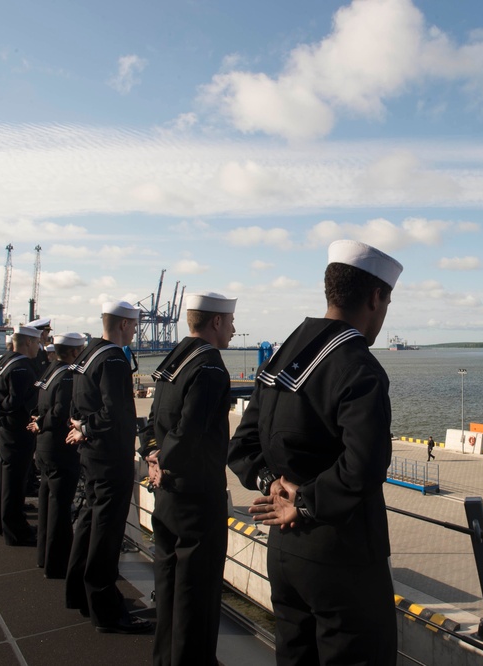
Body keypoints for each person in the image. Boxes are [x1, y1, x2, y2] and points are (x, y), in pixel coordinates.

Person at [228, 239, 402, 665]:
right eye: (387, 302)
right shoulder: (358, 365)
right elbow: (364, 466)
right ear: (376, 297)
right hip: (342, 557)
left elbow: (242, 445)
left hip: (284, 552)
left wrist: (274, 487)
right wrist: (303, 503)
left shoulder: (284, 353)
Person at [144, 292, 236, 666]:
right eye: (230, 322)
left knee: (167, 588)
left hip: (166, 495)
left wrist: (152, 456)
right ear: (216, 322)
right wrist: (166, 459)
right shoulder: (210, 367)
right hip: (197, 497)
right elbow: (191, 430)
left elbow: (154, 421)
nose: (233, 330)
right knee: (196, 595)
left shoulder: (175, 359)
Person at [65, 300, 152, 635]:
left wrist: (81, 427)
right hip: (109, 456)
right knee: (107, 533)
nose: (134, 330)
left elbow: (77, 403)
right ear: (123, 325)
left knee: (88, 523)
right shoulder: (114, 359)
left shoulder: (88, 354)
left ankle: (80, 593)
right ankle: (106, 609)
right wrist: (88, 428)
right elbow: (115, 411)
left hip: (90, 455)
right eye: (133, 325)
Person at [28, 333, 85, 579]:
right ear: (74, 352)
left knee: (46, 502)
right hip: (60, 449)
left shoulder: (48, 372)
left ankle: (44, 556)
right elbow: (61, 410)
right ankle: (58, 564)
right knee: (60, 509)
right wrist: (43, 423)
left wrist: (38, 421)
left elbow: (39, 404)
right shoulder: (68, 376)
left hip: (43, 448)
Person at [0, 326, 40, 546]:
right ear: (28, 342)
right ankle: (16, 531)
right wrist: (0, 408)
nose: (38, 347)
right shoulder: (22, 367)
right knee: (14, 483)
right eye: (37, 343)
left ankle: (2, 520)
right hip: (17, 430)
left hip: (3, 429)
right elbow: (16, 401)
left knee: (4, 475)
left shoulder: (4, 361)